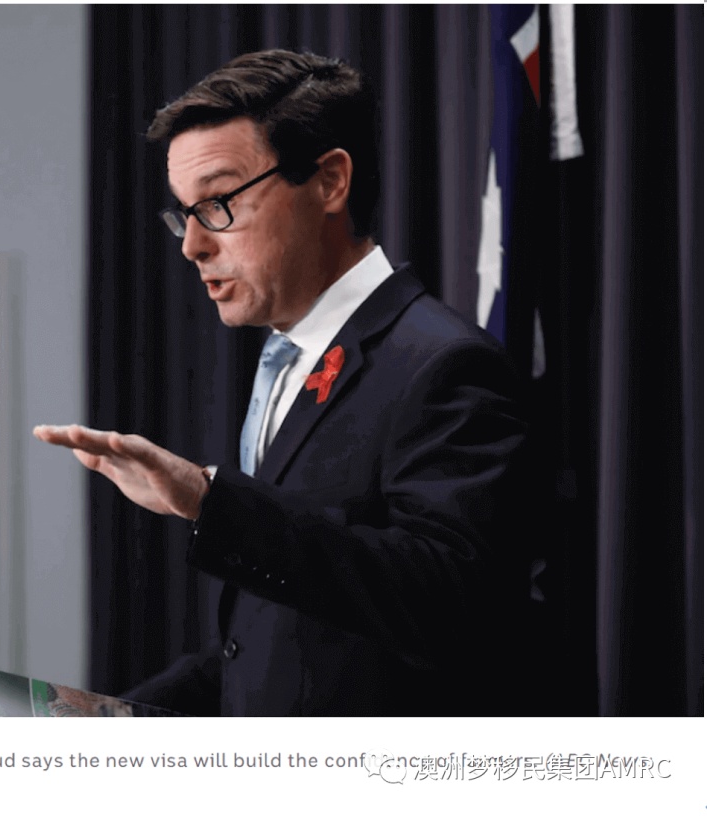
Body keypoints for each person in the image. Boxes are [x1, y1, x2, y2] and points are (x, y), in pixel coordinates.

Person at [35, 49, 528, 716]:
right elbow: (276, 644)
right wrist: (105, 720)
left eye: (218, 203)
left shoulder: (443, 364)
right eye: (185, 213)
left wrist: (212, 502)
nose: (192, 246)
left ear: (329, 182)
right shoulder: (284, 362)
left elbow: (446, 604)